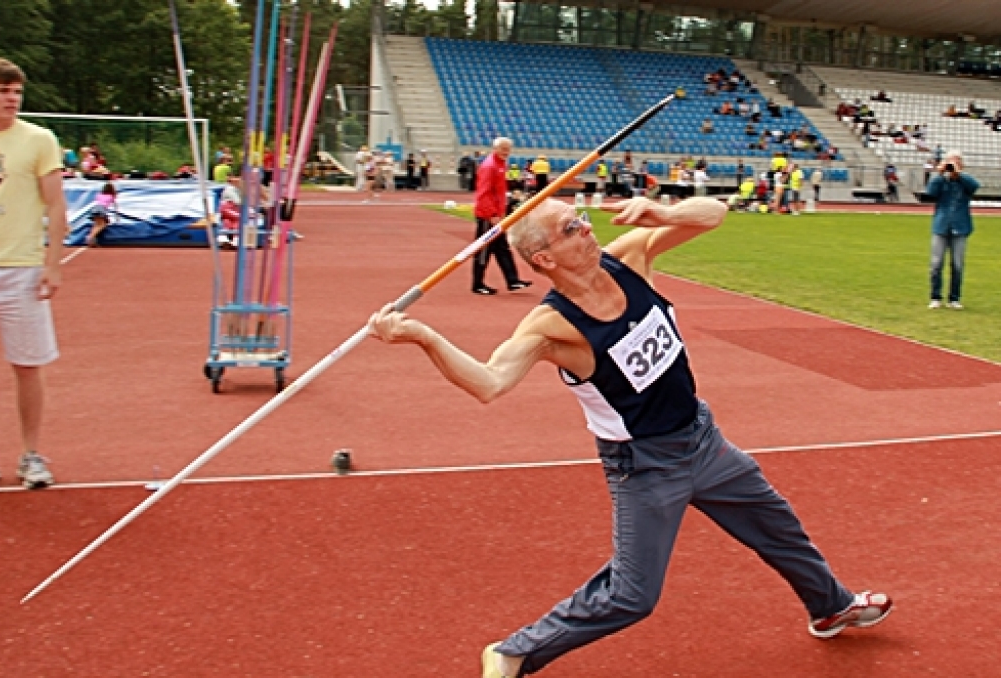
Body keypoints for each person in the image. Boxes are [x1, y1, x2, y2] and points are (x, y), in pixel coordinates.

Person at [367, 196, 894, 678]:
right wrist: (422, 336)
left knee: (778, 526)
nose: (587, 229)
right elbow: (488, 383)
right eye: (571, 228)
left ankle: (831, 607)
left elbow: (713, 215)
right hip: (644, 466)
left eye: (582, 219)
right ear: (545, 257)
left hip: (703, 438)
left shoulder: (627, 259)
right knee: (632, 595)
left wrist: (664, 213)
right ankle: (515, 651)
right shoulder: (552, 327)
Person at [0, 57, 69, 489]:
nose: (12, 98)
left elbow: (55, 204)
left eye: (16, 91)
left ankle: (31, 454)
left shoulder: (38, 140)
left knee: (28, 366)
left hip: (21, 269)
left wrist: (52, 263)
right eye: (3, 91)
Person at [471, 137, 531, 296]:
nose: (506, 152)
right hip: (487, 216)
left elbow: (498, 191)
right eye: (503, 149)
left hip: (497, 214)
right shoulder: (490, 166)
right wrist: (491, 214)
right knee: (484, 250)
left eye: (508, 149)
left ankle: (513, 280)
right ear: (495, 148)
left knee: (502, 248)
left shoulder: (500, 164)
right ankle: (477, 283)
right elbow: (484, 192)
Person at [924, 151, 979, 310]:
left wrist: (959, 173)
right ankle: (935, 296)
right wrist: (940, 173)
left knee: (957, 264)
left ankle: (954, 298)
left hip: (960, 227)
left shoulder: (965, 181)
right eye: (950, 161)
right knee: (936, 263)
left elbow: (975, 186)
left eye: (955, 161)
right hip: (941, 226)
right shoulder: (941, 181)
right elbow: (930, 193)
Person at [85, 182, 118, 246]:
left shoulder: (99, 195)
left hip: (95, 208)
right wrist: (116, 216)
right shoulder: (111, 196)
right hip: (101, 209)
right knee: (102, 225)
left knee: (96, 224)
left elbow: (98, 202)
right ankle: (90, 237)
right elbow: (115, 206)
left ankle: (91, 238)